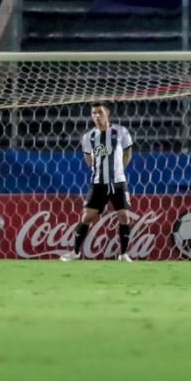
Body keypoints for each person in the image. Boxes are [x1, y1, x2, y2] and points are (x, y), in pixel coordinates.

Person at [61, 102, 134, 262]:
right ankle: (75, 252)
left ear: (107, 113)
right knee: (86, 217)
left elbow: (128, 151)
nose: (97, 116)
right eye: (94, 113)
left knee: (124, 216)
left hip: (119, 183)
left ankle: (123, 254)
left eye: (100, 112)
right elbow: (88, 158)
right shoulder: (88, 136)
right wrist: (98, 169)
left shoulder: (121, 131)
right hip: (98, 183)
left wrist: (119, 169)